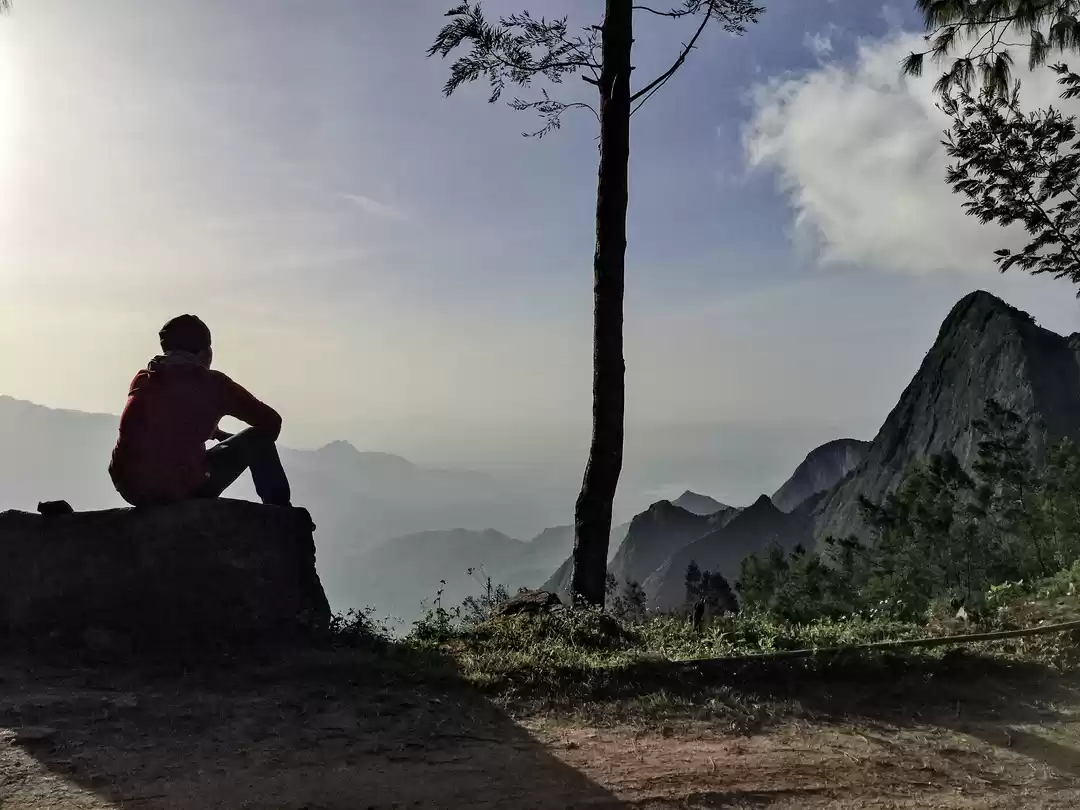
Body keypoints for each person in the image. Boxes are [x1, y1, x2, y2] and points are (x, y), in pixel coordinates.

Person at [109, 314, 292, 508]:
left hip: (129, 486)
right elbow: (271, 422)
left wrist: (213, 432)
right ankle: (281, 515)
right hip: (179, 488)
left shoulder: (144, 378)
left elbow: (160, 421)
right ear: (206, 352)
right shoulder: (214, 384)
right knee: (259, 439)